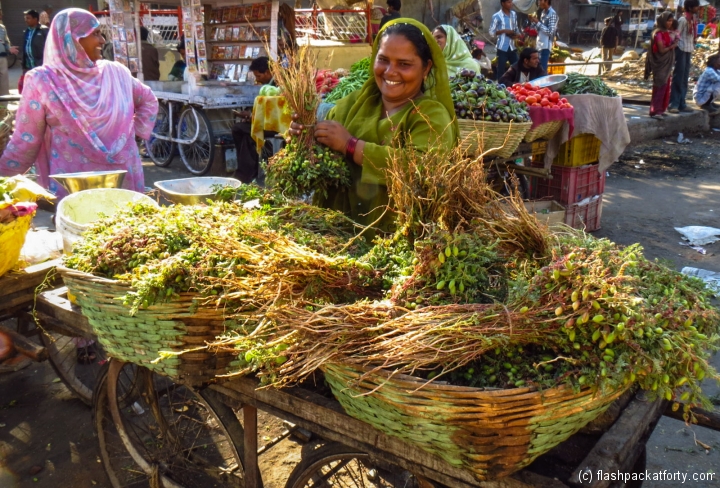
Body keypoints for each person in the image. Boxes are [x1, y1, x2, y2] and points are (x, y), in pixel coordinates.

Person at [291, 19, 457, 232]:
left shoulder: (431, 115)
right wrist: (304, 138)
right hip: (333, 232)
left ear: (426, 68)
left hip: (393, 241)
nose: (390, 71)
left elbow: (421, 171)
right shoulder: (354, 103)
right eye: (383, 59)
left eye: (404, 64)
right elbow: (320, 157)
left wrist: (350, 146)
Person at [0, 8, 159, 200]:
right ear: (71, 39)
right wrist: (4, 178)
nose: (102, 41)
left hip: (121, 183)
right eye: (96, 34)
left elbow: (148, 100)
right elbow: (26, 140)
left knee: (125, 229)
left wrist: (135, 135)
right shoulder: (43, 80)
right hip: (77, 190)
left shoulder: (116, 73)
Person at [231, 56, 276, 183]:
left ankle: (245, 173)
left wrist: (251, 117)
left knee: (240, 130)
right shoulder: (269, 85)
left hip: (276, 126)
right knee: (243, 133)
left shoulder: (277, 86)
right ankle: (247, 172)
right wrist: (251, 117)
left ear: (267, 72)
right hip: (265, 123)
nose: (257, 80)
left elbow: (273, 115)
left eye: (259, 76)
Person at [668, 0, 700, 113]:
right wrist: (675, 45)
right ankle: (673, 104)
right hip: (681, 49)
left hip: (688, 49)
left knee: (685, 77)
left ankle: (682, 103)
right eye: (696, 7)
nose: (697, 8)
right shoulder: (682, 19)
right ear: (690, 8)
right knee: (679, 76)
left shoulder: (693, 20)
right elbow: (675, 34)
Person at [644, 12, 677, 118]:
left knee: (666, 85)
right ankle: (655, 111)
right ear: (663, 21)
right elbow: (661, 50)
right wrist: (672, 46)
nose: (669, 23)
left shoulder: (667, 32)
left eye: (671, 20)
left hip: (666, 64)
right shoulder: (658, 33)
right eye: (668, 20)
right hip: (659, 63)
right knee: (660, 85)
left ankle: (661, 109)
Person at [488, 0, 521, 81]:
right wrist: (504, 31)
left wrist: (517, 35)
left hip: (512, 46)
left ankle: (516, 85)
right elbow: (491, 32)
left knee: (517, 68)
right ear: (503, 3)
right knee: (501, 70)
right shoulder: (497, 16)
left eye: (511, 2)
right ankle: (501, 87)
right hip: (502, 48)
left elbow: (516, 28)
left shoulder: (514, 14)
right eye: (508, 2)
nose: (511, 4)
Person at [528, 0, 558, 72]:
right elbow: (539, 29)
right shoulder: (543, 12)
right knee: (538, 68)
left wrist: (538, 22)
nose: (538, 2)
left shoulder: (552, 13)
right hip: (540, 45)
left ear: (546, 1)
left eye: (540, 0)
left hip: (545, 46)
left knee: (542, 69)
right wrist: (534, 22)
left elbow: (550, 32)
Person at [0, 10, 19, 96]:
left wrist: (9, 48)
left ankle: (3, 107)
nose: (1, 15)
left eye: (1, 14)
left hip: (2, 58)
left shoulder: (2, 28)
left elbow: (6, 42)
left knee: (4, 82)